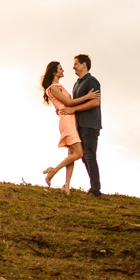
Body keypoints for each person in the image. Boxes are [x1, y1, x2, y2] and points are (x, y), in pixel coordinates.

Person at [40, 60, 99, 192]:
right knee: (79, 153)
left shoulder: (59, 87)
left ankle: (67, 184)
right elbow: (68, 102)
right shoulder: (53, 88)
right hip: (67, 121)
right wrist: (88, 96)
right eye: (60, 69)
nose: (63, 70)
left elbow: (63, 104)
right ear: (54, 72)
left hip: (71, 119)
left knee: (71, 154)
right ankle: (53, 171)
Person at [71, 54, 103, 197]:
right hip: (80, 125)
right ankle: (93, 187)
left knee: (90, 155)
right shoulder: (77, 84)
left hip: (90, 124)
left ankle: (95, 190)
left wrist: (75, 109)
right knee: (84, 157)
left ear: (84, 65)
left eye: (76, 64)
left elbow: (95, 102)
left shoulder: (92, 81)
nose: (73, 67)